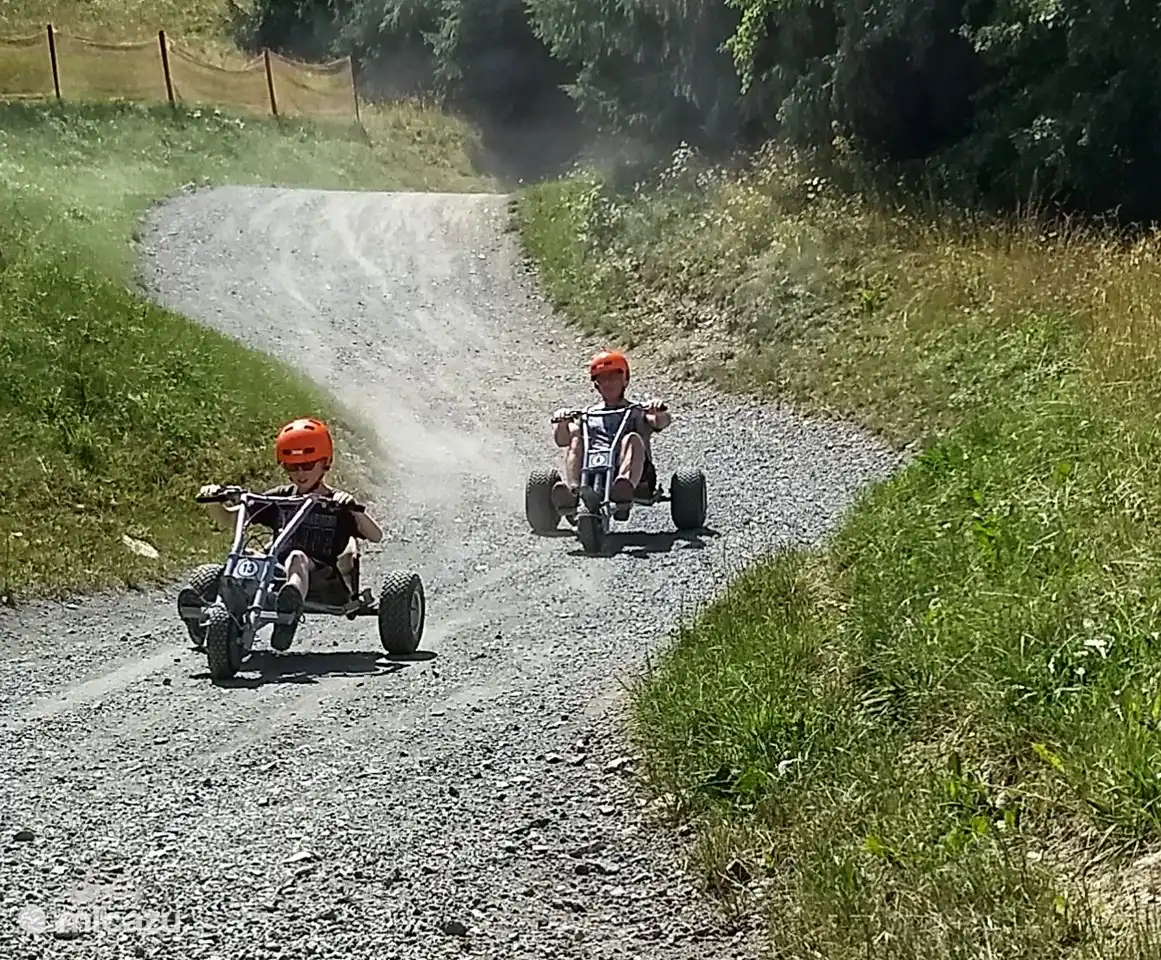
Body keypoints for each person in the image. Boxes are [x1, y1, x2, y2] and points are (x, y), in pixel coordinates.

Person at [182, 417, 384, 651]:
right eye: (291, 466)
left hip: (323, 579)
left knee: (296, 557)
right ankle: (208, 617)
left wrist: (352, 507)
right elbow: (229, 518)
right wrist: (213, 501)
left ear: (325, 463)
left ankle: (289, 611)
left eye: (308, 465)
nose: (300, 473)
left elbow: (376, 535)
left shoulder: (336, 503)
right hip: (274, 573)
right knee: (246, 556)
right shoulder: (281, 497)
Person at [551, 350, 671, 510]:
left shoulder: (637, 411)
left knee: (632, 438)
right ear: (596, 385)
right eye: (603, 379)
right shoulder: (588, 414)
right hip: (592, 472)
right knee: (576, 438)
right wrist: (561, 421)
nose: (609, 383)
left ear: (625, 379)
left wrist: (658, 411)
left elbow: (661, 422)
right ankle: (573, 491)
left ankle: (624, 486)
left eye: (614, 377)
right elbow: (562, 440)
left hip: (637, 477)